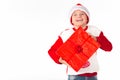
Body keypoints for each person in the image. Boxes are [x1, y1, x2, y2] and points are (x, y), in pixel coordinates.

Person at [48, 3, 112, 80]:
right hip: (75, 75)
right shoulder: (66, 34)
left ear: (87, 18)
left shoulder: (94, 31)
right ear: (71, 20)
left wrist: (96, 39)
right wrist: (61, 60)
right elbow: (52, 51)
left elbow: (109, 47)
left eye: (82, 14)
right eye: (74, 14)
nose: (78, 16)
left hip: (92, 74)